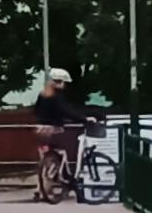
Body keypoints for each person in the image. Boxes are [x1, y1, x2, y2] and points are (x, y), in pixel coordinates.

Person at [34, 67, 101, 200]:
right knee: (68, 151)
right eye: (63, 82)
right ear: (59, 82)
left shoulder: (43, 94)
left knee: (45, 159)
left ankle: (40, 189)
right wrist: (84, 119)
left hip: (40, 129)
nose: (64, 85)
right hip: (55, 130)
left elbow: (36, 110)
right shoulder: (57, 95)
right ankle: (68, 176)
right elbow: (66, 111)